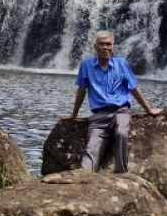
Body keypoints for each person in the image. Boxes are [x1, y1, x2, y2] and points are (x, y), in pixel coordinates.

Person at [61, 31, 161, 173]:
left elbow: (134, 88)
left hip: (121, 111)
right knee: (92, 146)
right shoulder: (86, 65)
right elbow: (81, 91)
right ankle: (84, 175)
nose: (105, 47)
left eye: (108, 44)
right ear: (95, 46)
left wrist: (148, 110)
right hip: (99, 116)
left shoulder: (121, 64)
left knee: (121, 133)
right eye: (101, 44)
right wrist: (74, 114)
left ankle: (121, 173)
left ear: (112, 47)